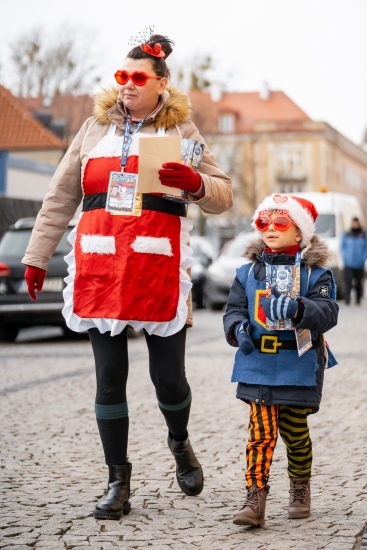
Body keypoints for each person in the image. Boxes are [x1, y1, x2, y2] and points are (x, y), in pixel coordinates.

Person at [21, 32, 233, 520]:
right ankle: (118, 480)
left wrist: (197, 183)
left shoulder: (184, 133)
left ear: (161, 84)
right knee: (110, 377)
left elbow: (224, 195)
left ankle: (179, 442)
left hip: (157, 268)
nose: (127, 85)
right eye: (121, 76)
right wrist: (37, 256)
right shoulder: (94, 128)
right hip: (99, 266)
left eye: (137, 78)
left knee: (169, 379)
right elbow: (59, 197)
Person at [223, 194, 338, 527]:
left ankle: (300, 486)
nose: (270, 228)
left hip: (298, 364)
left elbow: (328, 313)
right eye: (263, 222)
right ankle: (254, 498)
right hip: (257, 362)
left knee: (295, 431)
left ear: (299, 232)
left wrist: (299, 309)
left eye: (281, 222)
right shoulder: (246, 273)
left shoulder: (318, 275)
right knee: (260, 433)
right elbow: (233, 310)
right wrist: (238, 329)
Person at [340, 217, 367, 305]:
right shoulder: (346, 234)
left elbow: (365, 248)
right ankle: (347, 297)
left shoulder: (363, 234)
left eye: (356, 223)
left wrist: (363, 258)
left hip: (359, 263)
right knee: (348, 281)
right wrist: (344, 257)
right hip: (348, 263)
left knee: (359, 282)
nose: (355, 225)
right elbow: (342, 247)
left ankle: (358, 298)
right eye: (353, 223)